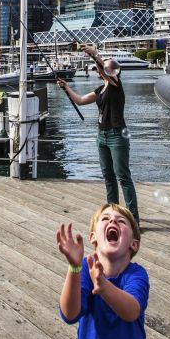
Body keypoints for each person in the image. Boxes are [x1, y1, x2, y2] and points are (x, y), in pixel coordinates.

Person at [56, 45, 139, 224]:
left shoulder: (116, 86)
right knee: (108, 176)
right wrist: (66, 87)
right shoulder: (100, 90)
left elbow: (109, 73)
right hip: (102, 136)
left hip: (117, 136)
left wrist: (95, 55)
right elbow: (79, 101)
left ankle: (133, 218)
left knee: (123, 176)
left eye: (106, 68)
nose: (101, 70)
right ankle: (113, 213)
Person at [56, 204, 149, 339]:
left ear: (134, 244)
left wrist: (103, 286)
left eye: (121, 221)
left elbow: (132, 312)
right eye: (105, 218)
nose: (112, 221)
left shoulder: (136, 274)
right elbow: (69, 314)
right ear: (93, 237)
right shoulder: (86, 267)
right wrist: (74, 268)